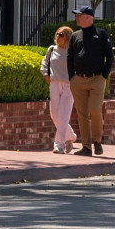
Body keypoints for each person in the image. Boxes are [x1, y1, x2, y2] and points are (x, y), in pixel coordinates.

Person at [67, 2, 115, 155]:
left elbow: (110, 56)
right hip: (78, 80)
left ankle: (97, 141)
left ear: (89, 17)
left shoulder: (101, 34)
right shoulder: (75, 36)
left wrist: (103, 75)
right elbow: (69, 57)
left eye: (79, 15)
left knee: (95, 109)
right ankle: (86, 147)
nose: (76, 17)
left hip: (96, 79)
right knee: (82, 115)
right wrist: (71, 77)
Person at [39, 26, 76, 154]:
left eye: (61, 35)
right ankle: (70, 137)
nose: (58, 36)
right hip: (54, 84)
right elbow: (44, 63)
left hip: (69, 86)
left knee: (63, 116)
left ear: (67, 37)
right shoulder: (52, 49)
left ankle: (58, 145)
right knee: (54, 114)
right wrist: (46, 76)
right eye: (57, 34)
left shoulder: (72, 51)